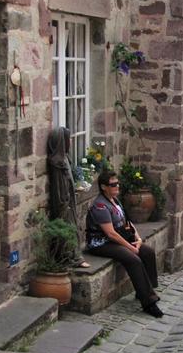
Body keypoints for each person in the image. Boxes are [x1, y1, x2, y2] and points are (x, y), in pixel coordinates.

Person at [85, 170, 164, 318]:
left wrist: (138, 240)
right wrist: (130, 248)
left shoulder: (115, 200)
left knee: (147, 252)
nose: (117, 186)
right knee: (133, 259)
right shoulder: (100, 206)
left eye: (117, 183)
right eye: (113, 184)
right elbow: (110, 233)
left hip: (118, 238)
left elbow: (127, 222)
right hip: (101, 243)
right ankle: (149, 303)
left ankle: (147, 290)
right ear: (103, 187)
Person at [46, 127, 90, 268]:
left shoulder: (65, 158)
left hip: (70, 199)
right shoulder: (57, 162)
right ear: (61, 141)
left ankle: (73, 256)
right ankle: (70, 257)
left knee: (73, 227)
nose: (70, 141)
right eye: (68, 138)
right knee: (68, 228)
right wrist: (65, 202)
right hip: (64, 203)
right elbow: (59, 187)